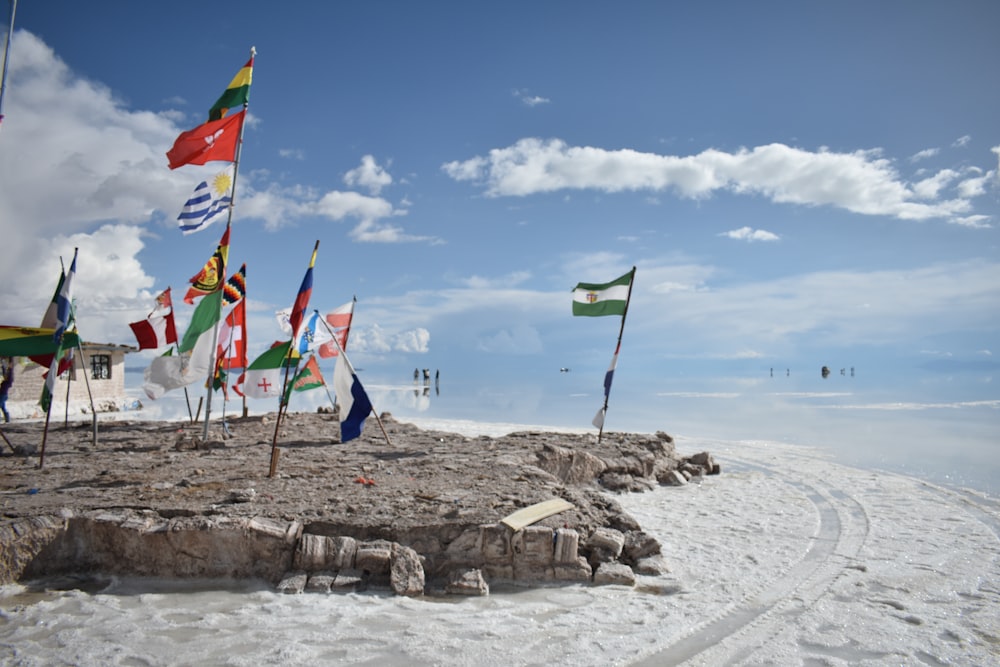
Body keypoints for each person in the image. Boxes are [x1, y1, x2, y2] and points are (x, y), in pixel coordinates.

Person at [0, 357, 13, 423]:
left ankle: (7, 418)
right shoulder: (5, 381)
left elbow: (9, 375)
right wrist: (3, 363)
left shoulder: (8, 382)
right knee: (3, 407)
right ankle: (7, 419)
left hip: (3, 395)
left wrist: (10, 368)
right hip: (2, 395)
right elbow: (4, 371)